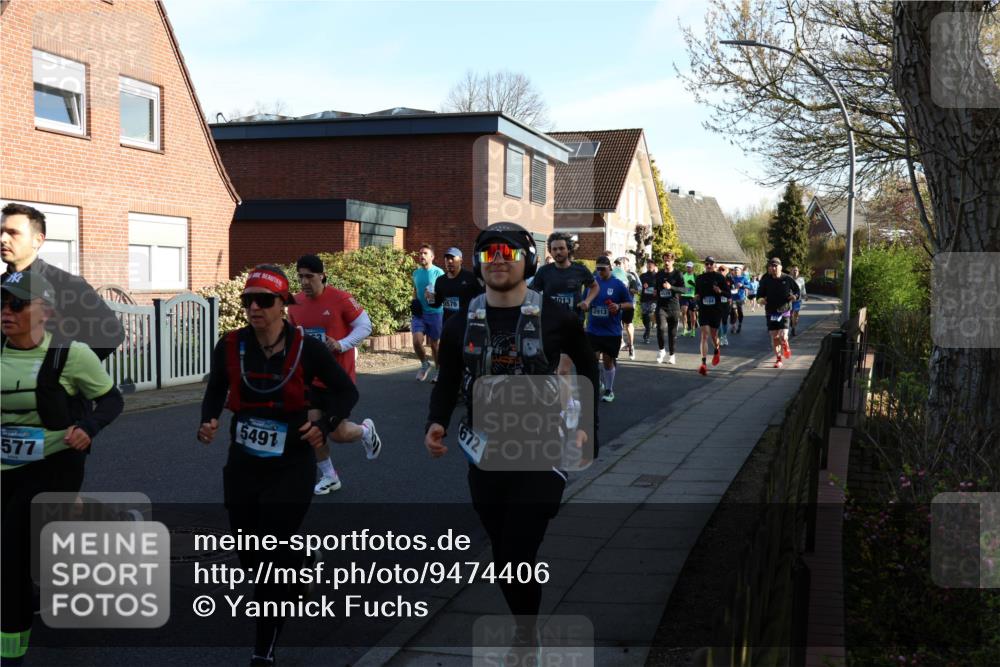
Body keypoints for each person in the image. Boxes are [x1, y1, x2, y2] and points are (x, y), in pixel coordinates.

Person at [425, 222, 599, 653]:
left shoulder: (556, 318)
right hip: (484, 454)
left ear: (528, 260)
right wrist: (436, 422)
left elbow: (588, 368)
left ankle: (525, 634)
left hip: (543, 451)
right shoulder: (462, 321)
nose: (498, 260)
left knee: (517, 552)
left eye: (508, 252)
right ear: (478, 262)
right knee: (505, 557)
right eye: (489, 253)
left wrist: (584, 427)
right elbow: (448, 380)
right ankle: (526, 624)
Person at [198, 265, 360, 666]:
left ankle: (264, 649)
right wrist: (209, 418)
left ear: (283, 304)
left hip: (292, 464)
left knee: (270, 556)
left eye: (264, 300)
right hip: (243, 464)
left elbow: (345, 392)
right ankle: (301, 561)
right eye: (248, 300)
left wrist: (324, 423)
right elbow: (216, 387)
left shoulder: (308, 348)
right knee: (249, 553)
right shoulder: (230, 345)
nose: (254, 307)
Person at [2, 270, 124, 665]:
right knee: (26, 551)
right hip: (6, 467)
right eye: (1, 303)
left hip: (54, 466)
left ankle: (10, 655)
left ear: (46, 312)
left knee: (10, 556)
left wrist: (88, 427)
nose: (6, 311)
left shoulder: (70, 355)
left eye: (17, 303)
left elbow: (112, 400)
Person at [287, 255, 382, 495]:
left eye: (309, 276)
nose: (304, 282)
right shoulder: (295, 303)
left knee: (339, 434)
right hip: (311, 380)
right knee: (312, 430)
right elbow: (292, 336)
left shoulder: (341, 299)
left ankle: (365, 431)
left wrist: (341, 344)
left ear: (322, 276)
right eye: (300, 277)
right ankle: (330, 476)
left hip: (338, 380)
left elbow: (365, 326)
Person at [1, 203, 124, 360]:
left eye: (13, 233)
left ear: (37, 240)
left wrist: (63, 368)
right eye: (1, 232)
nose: (3, 239)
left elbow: (112, 334)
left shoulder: (69, 285)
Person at [529, 232, 600, 377]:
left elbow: (595, 287)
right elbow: (531, 293)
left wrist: (587, 301)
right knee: (550, 369)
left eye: (561, 248)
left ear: (568, 249)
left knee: (563, 370)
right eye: (554, 249)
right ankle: (564, 392)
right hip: (550, 326)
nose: (558, 252)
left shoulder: (579, 270)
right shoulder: (544, 272)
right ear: (550, 251)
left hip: (573, 325)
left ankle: (587, 385)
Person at [587, 256, 633, 402]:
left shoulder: (618, 284)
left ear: (610, 268)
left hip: (611, 331)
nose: (600, 272)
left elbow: (630, 304)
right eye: (598, 269)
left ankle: (609, 390)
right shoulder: (592, 284)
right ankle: (599, 382)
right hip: (593, 329)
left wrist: (618, 306)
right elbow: (584, 301)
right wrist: (586, 305)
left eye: (603, 269)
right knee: (592, 360)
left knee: (607, 361)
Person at [755, 258, 800, 368]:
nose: (773, 268)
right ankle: (778, 359)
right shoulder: (765, 280)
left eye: (775, 266)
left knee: (783, 336)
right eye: (771, 266)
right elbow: (759, 295)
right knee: (775, 337)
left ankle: (785, 344)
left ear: (780, 267)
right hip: (771, 312)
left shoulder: (787, 279)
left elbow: (797, 291)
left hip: (784, 310)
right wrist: (760, 300)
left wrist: (795, 296)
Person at [411, 244, 445, 382]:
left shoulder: (439, 272)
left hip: (435, 313)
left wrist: (433, 296)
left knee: (435, 345)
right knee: (416, 341)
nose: (422, 256)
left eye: (425, 253)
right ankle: (425, 364)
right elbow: (415, 290)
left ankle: (439, 371)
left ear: (432, 257)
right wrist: (414, 302)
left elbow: (443, 293)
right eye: (420, 253)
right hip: (419, 314)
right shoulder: (416, 273)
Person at [693, 257, 728, 376]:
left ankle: (717, 350)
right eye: (707, 263)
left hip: (716, 310)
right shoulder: (699, 278)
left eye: (711, 263)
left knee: (714, 336)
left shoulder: (720, 278)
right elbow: (697, 293)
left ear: (714, 265)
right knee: (704, 335)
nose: (709, 265)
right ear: (705, 265)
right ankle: (703, 364)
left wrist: (720, 291)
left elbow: (728, 294)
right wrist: (696, 297)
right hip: (704, 310)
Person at [432, 247, 483, 327]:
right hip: (448, 325)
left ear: (461, 260)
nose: (449, 261)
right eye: (447, 258)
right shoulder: (440, 280)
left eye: (452, 258)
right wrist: (430, 298)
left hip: (466, 325)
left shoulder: (470, 278)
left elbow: (481, 300)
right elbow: (436, 304)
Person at [654, 252, 686, 365]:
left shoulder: (678, 274)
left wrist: (671, 287)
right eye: (665, 260)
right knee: (661, 328)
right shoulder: (659, 274)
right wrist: (655, 292)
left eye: (669, 260)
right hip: (661, 306)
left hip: (674, 307)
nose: (667, 262)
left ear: (673, 261)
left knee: (672, 334)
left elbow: (684, 289)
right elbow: (656, 288)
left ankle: (672, 355)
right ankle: (661, 350)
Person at [638, 258, 659, 345]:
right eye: (648, 264)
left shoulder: (657, 276)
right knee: (644, 317)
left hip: (653, 300)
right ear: (646, 266)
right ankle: (648, 328)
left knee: (650, 314)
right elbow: (638, 287)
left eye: (651, 264)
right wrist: (643, 286)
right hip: (644, 299)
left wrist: (656, 291)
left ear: (654, 266)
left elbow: (661, 286)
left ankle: (647, 335)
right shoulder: (642, 276)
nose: (650, 266)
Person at [729, 266, 750, 333]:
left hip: (740, 297)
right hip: (733, 297)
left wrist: (742, 285)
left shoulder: (743, 278)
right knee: (733, 311)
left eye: (737, 270)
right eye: (735, 270)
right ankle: (733, 326)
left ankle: (740, 324)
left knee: (739, 311)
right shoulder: (731, 278)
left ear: (740, 271)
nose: (736, 271)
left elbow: (749, 286)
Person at [788, 265, 808, 337]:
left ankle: (793, 328)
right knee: (791, 314)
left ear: (798, 272)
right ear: (791, 271)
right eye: (793, 270)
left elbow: (803, 288)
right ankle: (791, 321)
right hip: (790, 299)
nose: (795, 271)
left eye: (796, 270)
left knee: (796, 314)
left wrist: (805, 295)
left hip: (798, 299)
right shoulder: (788, 279)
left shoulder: (801, 279)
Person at [680, 261, 698, 336]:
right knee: (684, 311)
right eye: (687, 267)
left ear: (692, 268)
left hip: (692, 297)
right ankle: (684, 329)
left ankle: (693, 330)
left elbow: (698, 286)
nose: (688, 268)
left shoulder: (695, 276)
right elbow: (680, 285)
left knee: (692, 314)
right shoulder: (683, 275)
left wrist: (693, 284)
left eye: (690, 267)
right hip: (684, 296)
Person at [717, 265, 733, 346]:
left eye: (723, 270)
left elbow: (732, 290)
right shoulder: (715, 279)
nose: (721, 271)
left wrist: (730, 297)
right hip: (717, 302)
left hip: (726, 302)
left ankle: (724, 336)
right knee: (718, 320)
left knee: (724, 321)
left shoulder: (729, 279)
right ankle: (720, 337)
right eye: (719, 270)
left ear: (726, 271)